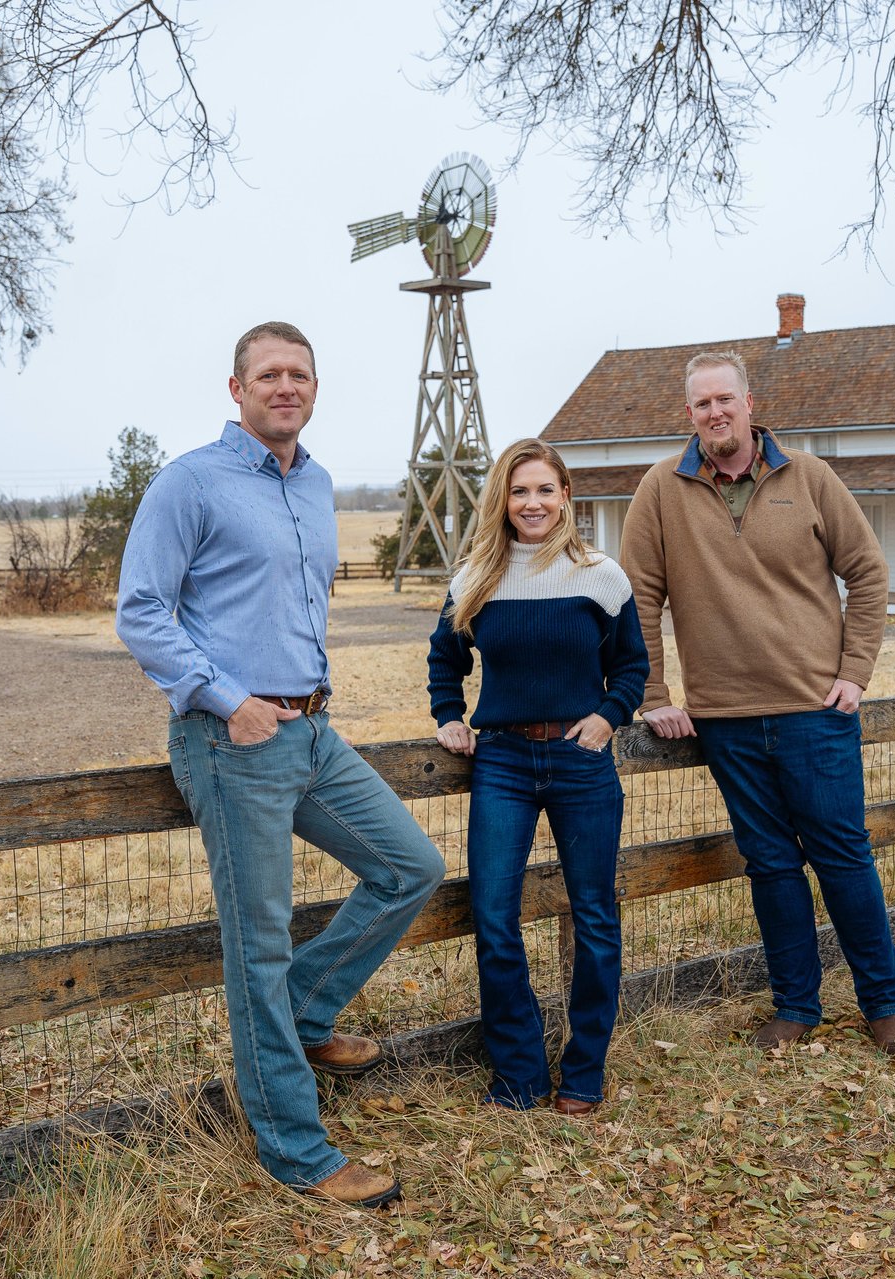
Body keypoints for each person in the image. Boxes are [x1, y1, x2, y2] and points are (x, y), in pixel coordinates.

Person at [117, 322, 446, 1207]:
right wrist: (228, 698)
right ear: (237, 388)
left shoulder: (319, 483)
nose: (286, 385)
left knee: (410, 867)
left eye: (300, 373)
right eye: (269, 373)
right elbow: (142, 610)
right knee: (257, 945)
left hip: (313, 731)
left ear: (313, 386)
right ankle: (297, 1150)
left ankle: (301, 1019)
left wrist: (301, 703)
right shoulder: (191, 481)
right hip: (233, 740)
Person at [619, 351, 895, 1055]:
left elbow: (868, 573)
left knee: (843, 857)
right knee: (771, 865)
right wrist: (654, 693)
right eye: (701, 404)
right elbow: (637, 599)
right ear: (687, 412)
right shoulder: (660, 488)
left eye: (726, 399)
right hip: (724, 719)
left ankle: (885, 1001)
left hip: (816, 709)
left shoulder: (808, 477)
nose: (715, 413)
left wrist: (855, 670)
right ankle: (796, 1005)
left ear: (751, 403)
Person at [428, 439, 648, 1114]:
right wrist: (448, 714)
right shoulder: (475, 579)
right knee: (494, 916)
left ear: (566, 497)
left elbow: (632, 666)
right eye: (520, 491)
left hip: (582, 763)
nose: (533, 503)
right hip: (503, 762)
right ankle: (519, 1074)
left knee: (595, 916)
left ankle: (584, 1072)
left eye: (545, 490)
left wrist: (610, 716)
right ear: (503, 499)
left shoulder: (601, 575)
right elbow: (445, 660)